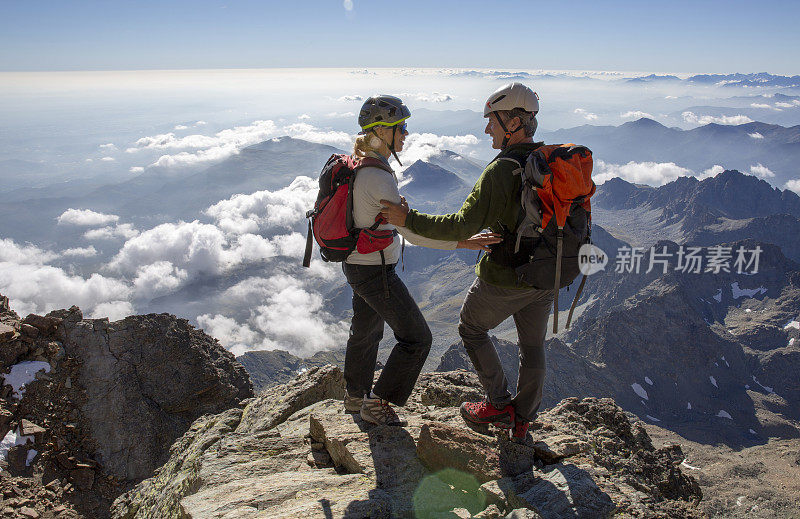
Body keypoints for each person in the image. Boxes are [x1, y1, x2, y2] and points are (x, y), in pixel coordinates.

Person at [380, 83, 552, 440]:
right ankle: (521, 420)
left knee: (471, 329)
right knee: (533, 346)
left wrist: (406, 220)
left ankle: (498, 404)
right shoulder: (548, 160)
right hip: (549, 273)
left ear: (513, 123)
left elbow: (460, 225)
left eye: (492, 120)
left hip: (506, 277)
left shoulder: (502, 171)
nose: (487, 128)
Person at [343, 94, 500, 426]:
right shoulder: (379, 176)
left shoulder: (360, 165)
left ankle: (356, 397)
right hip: (375, 271)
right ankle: (376, 405)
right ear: (381, 131)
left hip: (357, 265)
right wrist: (464, 241)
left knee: (366, 331)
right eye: (401, 127)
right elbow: (411, 233)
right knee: (417, 338)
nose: (405, 134)